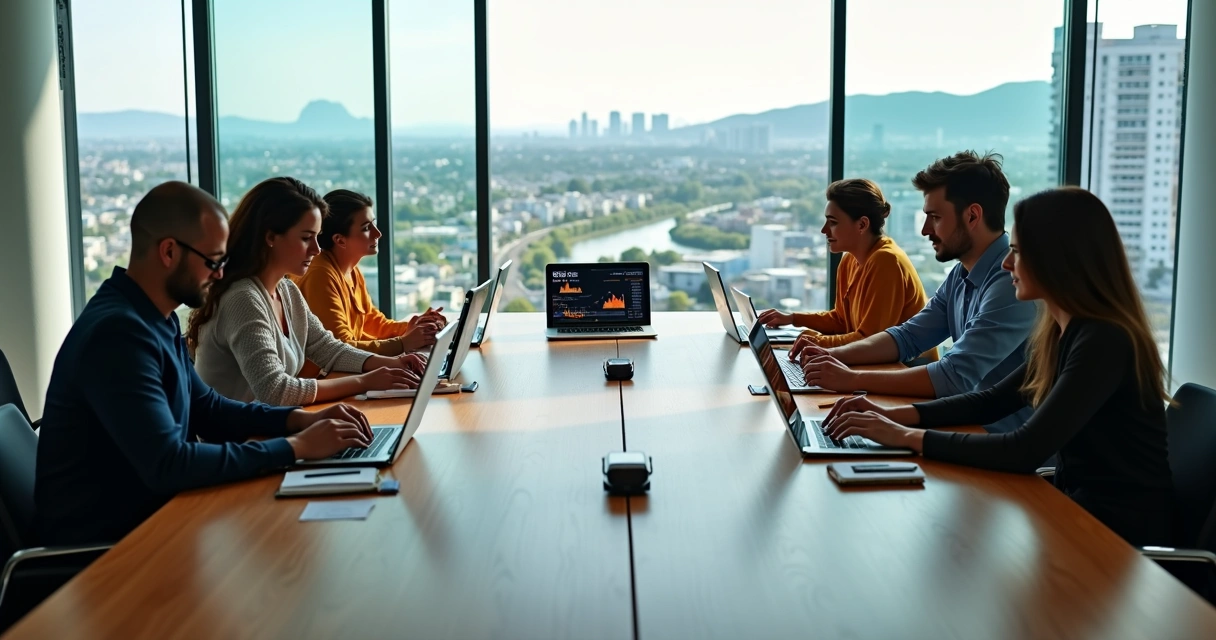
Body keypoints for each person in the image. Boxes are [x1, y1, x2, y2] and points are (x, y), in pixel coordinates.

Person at [820, 187, 1173, 546]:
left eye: (1018, 252)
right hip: (1075, 511)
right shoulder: (1060, 331)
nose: (1007, 263)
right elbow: (989, 401)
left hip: (1118, 537)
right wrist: (889, 415)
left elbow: (1025, 450)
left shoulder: (1104, 342)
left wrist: (905, 437)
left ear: (1058, 259)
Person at [36, 182, 378, 546]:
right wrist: (295, 447)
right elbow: (169, 464)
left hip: (156, 524)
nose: (219, 274)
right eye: (213, 261)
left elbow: (207, 407)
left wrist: (300, 421)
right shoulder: (118, 335)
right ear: (169, 252)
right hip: (102, 555)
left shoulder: (156, 318)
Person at [793, 151, 1036, 432]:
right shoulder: (961, 274)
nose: (924, 230)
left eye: (934, 217)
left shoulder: (1010, 282)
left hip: (1001, 447)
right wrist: (835, 357)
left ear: (972, 215)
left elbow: (954, 377)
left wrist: (851, 378)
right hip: (965, 427)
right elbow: (907, 336)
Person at [188, 177, 425, 406]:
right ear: (270, 237)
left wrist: (392, 363)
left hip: (268, 431)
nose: (316, 249)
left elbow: (326, 348)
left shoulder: (286, 290)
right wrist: (364, 381)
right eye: (306, 238)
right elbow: (275, 391)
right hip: (240, 442)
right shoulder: (243, 299)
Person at [758, 179, 935, 360]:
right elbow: (840, 320)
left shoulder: (887, 261)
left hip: (906, 372)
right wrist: (792, 319)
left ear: (862, 225)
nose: (824, 230)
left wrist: (818, 342)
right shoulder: (850, 258)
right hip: (874, 366)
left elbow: (870, 341)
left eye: (832, 223)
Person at [292, 189, 445, 356]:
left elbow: (373, 323)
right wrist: (402, 344)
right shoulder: (320, 276)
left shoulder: (351, 270)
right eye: (366, 228)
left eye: (374, 223)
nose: (378, 233)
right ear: (340, 240)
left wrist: (419, 327)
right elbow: (340, 348)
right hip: (326, 377)